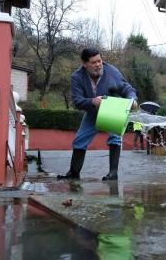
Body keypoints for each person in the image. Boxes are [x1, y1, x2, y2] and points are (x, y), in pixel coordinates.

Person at [57, 48, 138, 181]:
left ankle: (113, 173)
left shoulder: (112, 71)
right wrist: (92, 101)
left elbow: (127, 88)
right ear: (85, 64)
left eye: (99, 61)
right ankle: (73, 173)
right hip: (92, 111)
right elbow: (77, 101)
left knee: (115, 138)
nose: (98, 65)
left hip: (113, 110)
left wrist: (132, 99)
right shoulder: (76, 77)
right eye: (93, 62)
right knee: (79, 141)